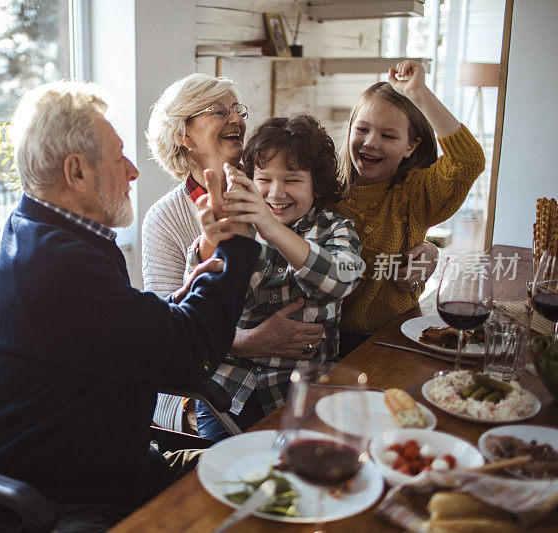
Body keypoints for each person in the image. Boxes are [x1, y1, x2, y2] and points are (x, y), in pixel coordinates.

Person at [0, 81, 260, 532]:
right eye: (118, 156)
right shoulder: (56, 265)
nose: (133, 171)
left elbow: (144, 328)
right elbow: (191, 355)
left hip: (124, 471)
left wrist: (208, 252)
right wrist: (235, 239)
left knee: (271, 473)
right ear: (76, 172)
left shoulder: (51, 238)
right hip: (68, 505)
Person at [143, 73, 324, 432]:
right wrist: (251, 342)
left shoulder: (276, 187)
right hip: (216, 386)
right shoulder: (164, 220)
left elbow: (334, 237)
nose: (237, 120)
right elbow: (168, 335)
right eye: (219, 110)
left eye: (239, 111)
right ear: (183, 134)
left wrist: (421, 244)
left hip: (296, 373)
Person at [185, 115, 365, 441]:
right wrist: (209, 244)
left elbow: (341, 280)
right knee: (223, 471)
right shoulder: (235, 222)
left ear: (317, 184)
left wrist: (272, 229)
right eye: (264, 179)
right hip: (229, 388)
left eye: (293, 180)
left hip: (304, 388)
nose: (276, 192)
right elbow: (195, 309)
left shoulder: (335, 229)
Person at [332, 60, 486, 348]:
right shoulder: (324, 190)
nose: (371, 142)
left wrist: (420, 93)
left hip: (396, 336)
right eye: (362, 129)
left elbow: (468, 161)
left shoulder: (415, 193)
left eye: (388, 135)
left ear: (410, 146)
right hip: (326, 341)